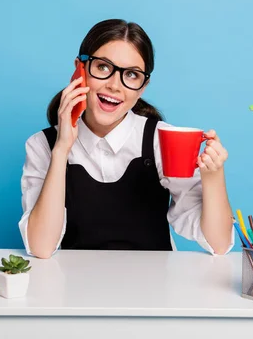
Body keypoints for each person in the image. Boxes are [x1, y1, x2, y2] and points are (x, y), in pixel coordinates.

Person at [19, 19, 234, 259]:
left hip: (156, 289)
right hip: (76, 290)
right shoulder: (42, 145)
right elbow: (41, 247)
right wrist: (61, 150)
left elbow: (219, 244)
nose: (114, 85)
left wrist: (213, 176)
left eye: (131, 75)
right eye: (102, 67)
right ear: (80, 69)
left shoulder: (160, 140)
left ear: (142, 87)